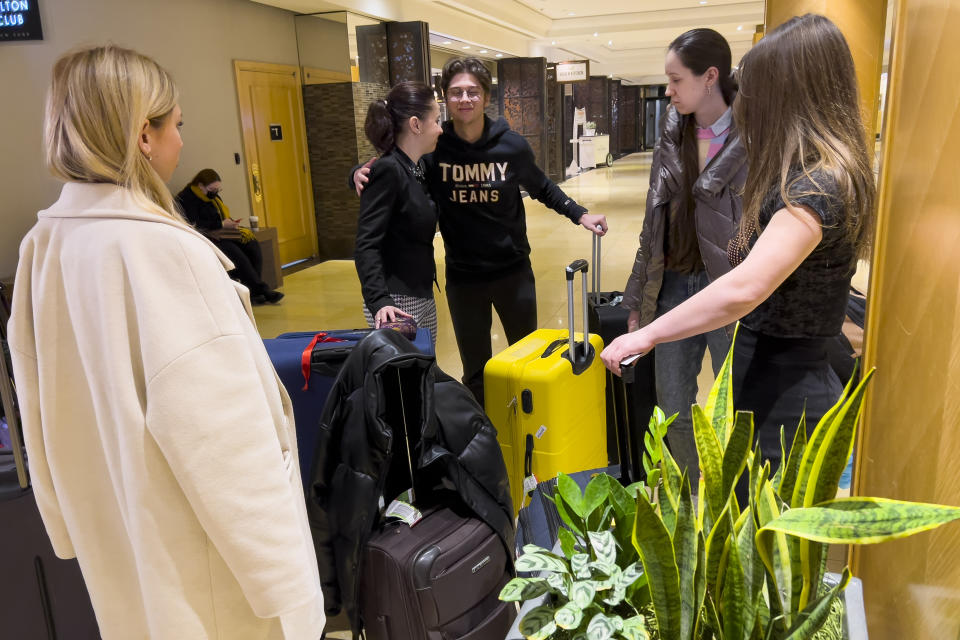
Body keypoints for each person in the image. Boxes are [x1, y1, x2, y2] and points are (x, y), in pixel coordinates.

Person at [7, 45, 325, 639]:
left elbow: (38, 406)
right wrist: (289, 587)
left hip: (117, 530)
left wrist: (65, 522)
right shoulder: (164, 252)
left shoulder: (44, 247)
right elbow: (222, 443)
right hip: (204, 561)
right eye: (175, 125)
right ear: (142, 137)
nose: (181, 141)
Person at [602, 14, 876, 480]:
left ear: (792, 94)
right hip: (768, 378)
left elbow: (745, 287)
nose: (745, 103)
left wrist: (646, 334)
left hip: (789, 392)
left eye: (756, 90)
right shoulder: (799, 170)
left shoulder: (816, 185)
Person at [354, 58, 608, 404]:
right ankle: (484, 439)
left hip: (513, 272)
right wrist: (356, 172)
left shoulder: (511, 146)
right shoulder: (434, 145)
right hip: (462, 277)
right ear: (445, 99)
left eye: (473, 92)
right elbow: (392, 168)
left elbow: (542, 187)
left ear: (487, 97)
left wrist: (580, 214)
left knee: (527, 361)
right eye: (456, 92)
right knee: (475, 371)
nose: (465, 99)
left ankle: (527, 434)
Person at [620, 28, 746, 488]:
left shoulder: (754, 136)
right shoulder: (671, 132)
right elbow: (654, 222)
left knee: (739, 407)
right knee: (672, 405)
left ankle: (735, 501)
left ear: (710, 76)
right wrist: (636, 298)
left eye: (676, 80)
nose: (668, 91)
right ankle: (693, 498)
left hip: (729, 291)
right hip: (672, 284)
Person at [355, 82, 442, 347]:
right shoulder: (389, 170)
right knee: (404, 383)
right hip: (397, 302)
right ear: (416, 125)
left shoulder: (416, 167)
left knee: (424, 372)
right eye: (437, 120)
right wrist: (380, 301)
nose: (440, 129)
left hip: (421, 293)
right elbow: (366, 243)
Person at [176, 169, 284, 304]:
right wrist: (221, 224)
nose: (215, 193)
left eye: (218, 189)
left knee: (252, 244)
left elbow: (221, 215)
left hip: (222, 232)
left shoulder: (213, 197)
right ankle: (262, 290)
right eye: (212, 189)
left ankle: (253, 289)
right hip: (206, 237)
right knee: (236, 253)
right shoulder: (185, 199)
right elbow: (194, 223)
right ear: (200, 186)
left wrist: (231, 224)